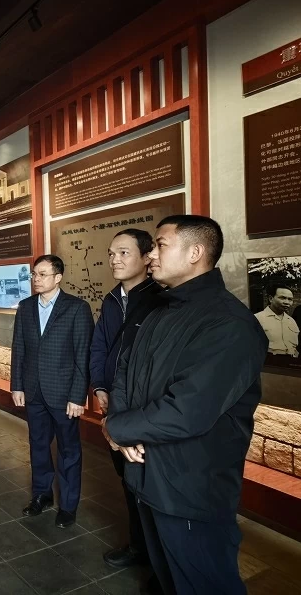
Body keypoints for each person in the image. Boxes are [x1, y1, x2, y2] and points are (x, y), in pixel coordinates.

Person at [104, 215, 267, 595]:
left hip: (189, 488)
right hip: (147, 475)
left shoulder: (229, 325)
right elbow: (126, 367)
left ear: (196, 252)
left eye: (160, 245)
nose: (150, 256)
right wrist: (118, 421)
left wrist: (119, 429)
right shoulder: (158, 308)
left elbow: (187, 411)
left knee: (203, 583)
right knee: (164, 578)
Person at [89, 229, 163, 574]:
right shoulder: (112, 299)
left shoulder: (159, 299)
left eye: (123, 253)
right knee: (127, 479)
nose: (114, 260)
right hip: (114, 402)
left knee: (148, 480)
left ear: (147, 257)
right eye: (111, 253)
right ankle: (139, 546)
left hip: (142, 405)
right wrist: (99, 385)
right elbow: (100, 345)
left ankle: (155, 552)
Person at [10, 254, 94, 528]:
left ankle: (68, 506)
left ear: (58, 278)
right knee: (38, 447)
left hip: (63, 394)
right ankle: (42, 495)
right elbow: (19, 350)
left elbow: (83, 355)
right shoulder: (25, 307)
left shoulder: (76, 308)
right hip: (33, 391)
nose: (36, 279)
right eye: (34, 274)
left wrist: (78, 396)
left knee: (69, 451)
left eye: (43, 274)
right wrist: (17, 386)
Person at [254, 284, 299, 357]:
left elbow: (294, 348)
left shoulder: (291, 321)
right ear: (271, 299)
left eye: (290, 299)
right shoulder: (257, 319)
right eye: (282, 298)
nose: (287, 302)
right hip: (269, 364)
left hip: (291, 365)